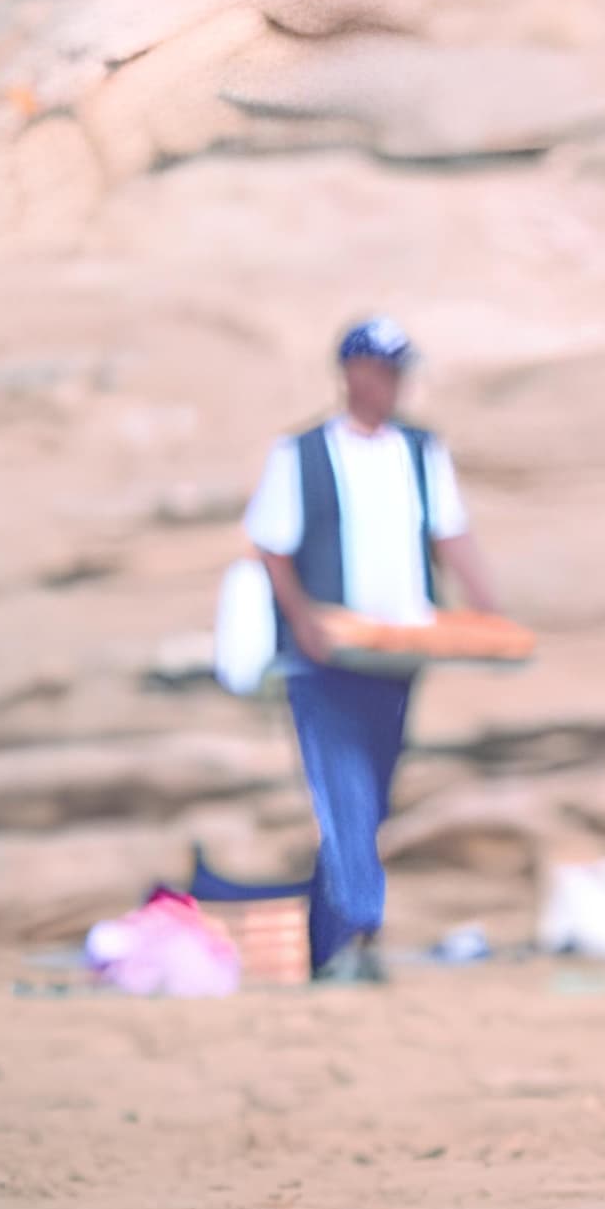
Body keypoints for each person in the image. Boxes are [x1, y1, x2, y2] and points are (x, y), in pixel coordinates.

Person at [242, 318, 505, 983]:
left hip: (395, 654)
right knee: (343, 794)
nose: (390, 385)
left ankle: (324, 945)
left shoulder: (420, 451)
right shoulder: (299, 453)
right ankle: (363, 928)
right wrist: (301, 620)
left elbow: (451, 534)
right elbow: (272, 544)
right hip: (325, 658)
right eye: (380, 370)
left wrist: (488, 611)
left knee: (370, 796)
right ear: (351, 372)